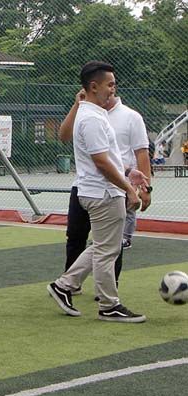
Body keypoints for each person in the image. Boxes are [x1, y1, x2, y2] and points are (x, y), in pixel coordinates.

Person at [47, 61, 144, 323]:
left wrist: (128, 172)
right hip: (103, 194)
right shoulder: (91, 118)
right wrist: (129, 189)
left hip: (100, 191)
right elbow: (100, 162)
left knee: (103, 247)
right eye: (109, 84)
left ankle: (64, 285)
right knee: (107, 251)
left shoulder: (93, 114)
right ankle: (109, 306)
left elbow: (106, 157)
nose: (113, 89)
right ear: (93, 86)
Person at [59, 88, 151, 281]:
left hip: (116, 187)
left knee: (112, 242)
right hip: (84, 186)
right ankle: (70, 283)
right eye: (107, 84)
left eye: (112, 85)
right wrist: (76, 105)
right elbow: (64, 136)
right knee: (76, 236)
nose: (110, 89)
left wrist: (145, 189)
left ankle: (107, 285)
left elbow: (141, 153)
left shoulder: (131, 117)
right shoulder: (86, 113)